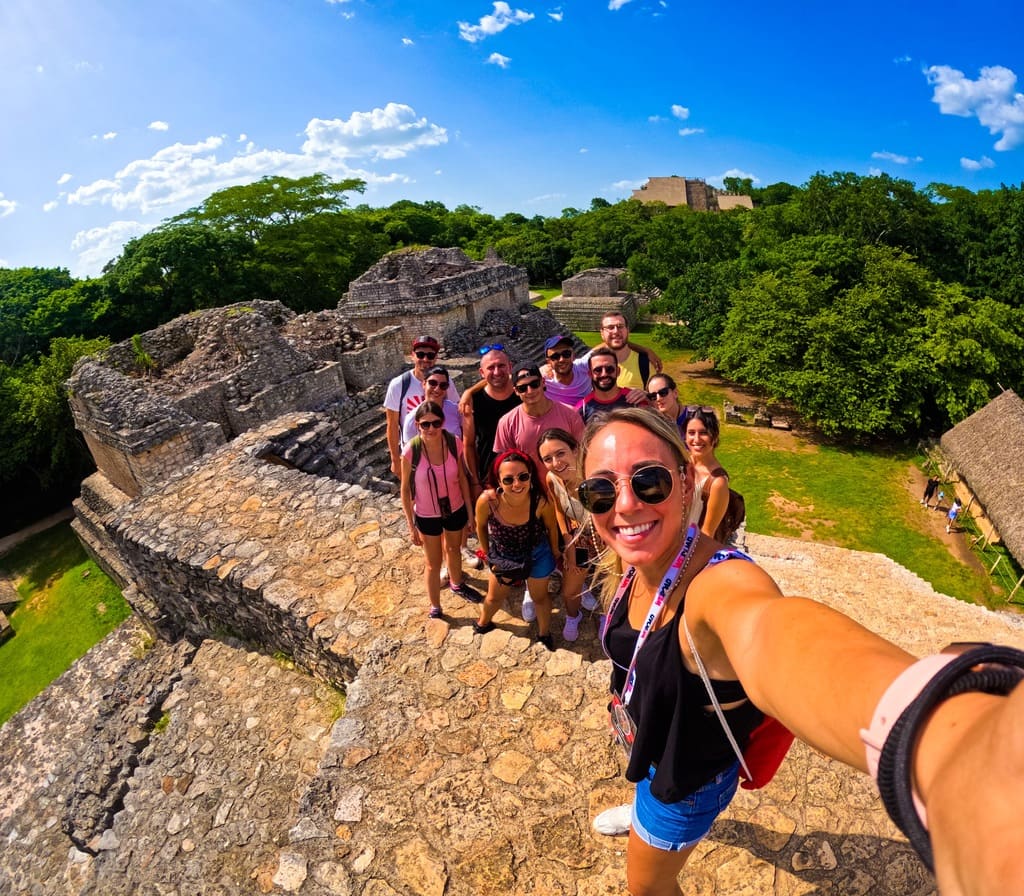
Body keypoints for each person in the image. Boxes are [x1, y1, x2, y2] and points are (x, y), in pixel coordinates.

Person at [579, 407, 1024, 896]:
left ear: (687, 480)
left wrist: (945, 742)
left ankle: (652, 822)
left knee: (646, 887)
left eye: (649, 481)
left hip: (683, 782)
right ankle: (644, 815)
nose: (625, 505)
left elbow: (771, 633)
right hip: (654, 744)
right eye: (600, 491)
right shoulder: (635, 558)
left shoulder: (717, 585)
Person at [473, 450, 562, 650]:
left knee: (540, 597)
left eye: (523, 477)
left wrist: (555, 550)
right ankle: (483, 622)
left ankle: (544, 634)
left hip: (537, 553)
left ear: (530, 476)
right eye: (508, 479)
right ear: (498, 481)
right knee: (494, 597)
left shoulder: (540, 501)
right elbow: (480, 526)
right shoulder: (488, 501)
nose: (517, 484)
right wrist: (488, 554)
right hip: (504, 556)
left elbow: (551, 527)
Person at [400, 402, 482, 618]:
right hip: (427, 514)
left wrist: (470, 513)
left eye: (436, 423)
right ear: (417, 425)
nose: (431, 428)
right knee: (432, 563)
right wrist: (411, 526)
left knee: (453, 549)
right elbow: (405, 490)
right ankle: (435, 606)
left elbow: (462, 478)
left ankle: (457, 583)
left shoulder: (454, 443)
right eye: (425, 424)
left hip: (455, 508)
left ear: (443, 422)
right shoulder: (411, 451)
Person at [537, 428, 602, 640]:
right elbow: (558, 509)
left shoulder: (595, 476)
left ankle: (607, 617)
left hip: (610, 540)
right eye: (548, 459)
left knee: (610, 584)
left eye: (560, 453)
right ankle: (574, 616)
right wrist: (569, 541)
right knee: (570, 590)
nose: (556, 463)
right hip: (582, 537)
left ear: (575, 450)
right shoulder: (552, 479)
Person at [384, 335, 459, 477]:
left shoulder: (444, 382)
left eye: (430, 355)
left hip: (445, 452)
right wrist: (395, 459)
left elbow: (455, 411)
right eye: (420, 354)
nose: (425, 359)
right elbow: (392, 424)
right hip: (415, 454)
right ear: (412, 355)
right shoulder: (398, 385)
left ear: (436, 357)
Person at [493, 364, 584, 473]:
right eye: (522, 388)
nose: (530, 391)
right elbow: (505, 465)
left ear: (543, 382)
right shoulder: (506, 423)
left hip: (569, 481)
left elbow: (583, 453)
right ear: (516, 391)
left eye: (534, 384)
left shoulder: (570, 413)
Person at [460, 347, 521, 497]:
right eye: (491, 368)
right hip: (490, 478)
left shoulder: (523, 392)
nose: (496, 372)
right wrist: (475, 482)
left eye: (501, 365)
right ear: (482, 372)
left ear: (510, 367)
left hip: (523, 475)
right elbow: (468, 445)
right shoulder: (473, 401)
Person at [684, 407, 731, 539]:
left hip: (689, 546)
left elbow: (707, 534)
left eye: (703, 433)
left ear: (714, 437)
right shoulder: (682, 462)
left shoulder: (717, 483)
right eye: (691, 433)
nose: (696, 439)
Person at [577, 347, 647, 424]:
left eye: (609, 369)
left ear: (618, 371)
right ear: (590, 374)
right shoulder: (582, 409)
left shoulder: (635, 399)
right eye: (598, 370)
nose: (604, 374)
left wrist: (648, 398)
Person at [594, 312, 661, 389]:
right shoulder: (592, 366)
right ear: (602, 333)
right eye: (610, 327)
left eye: (620, 326)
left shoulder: (645, 364)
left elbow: (656, 395)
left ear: (627, 330)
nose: (616, 331)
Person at [401, 365, 462, 445]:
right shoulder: (412, 419)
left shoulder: (456, 411)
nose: (437, 389)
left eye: (443, 385)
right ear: (424, 384)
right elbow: (409, 451)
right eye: (432, 383)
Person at [645, 373, 689, 438]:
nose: (658, 398)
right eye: (653, 396)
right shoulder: (654, 425)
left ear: (675, 393)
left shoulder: (695, 416)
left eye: (663, 392)